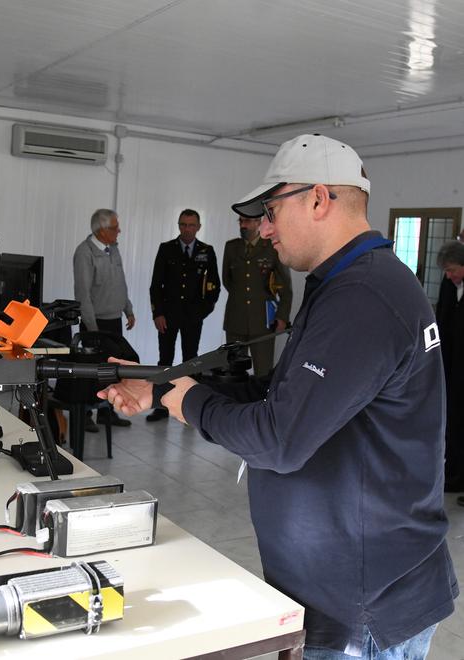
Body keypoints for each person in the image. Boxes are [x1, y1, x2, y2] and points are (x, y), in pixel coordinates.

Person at [98, 134, 457, 659]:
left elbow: (279, 439)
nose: (263, 228)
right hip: (344, 590)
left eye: (270, 210)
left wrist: (192, 403)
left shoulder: (362, 297)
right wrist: (164, 387)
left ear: (318, 199)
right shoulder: (343, 283)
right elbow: (282, 394)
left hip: (364, 607)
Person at [146, 209, 220, 421]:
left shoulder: (207, 251)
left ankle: (190, 408)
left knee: (191, 360)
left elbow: (214, 287)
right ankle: (160, 405)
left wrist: (202, 312)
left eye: (191, 225)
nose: (187, 229)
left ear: (198, 227)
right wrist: (157, 313)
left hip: (192, 317)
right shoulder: (166, 249)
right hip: (167, 316)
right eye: (183, 225)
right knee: (165, 360)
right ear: (179, 226)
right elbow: (155, 286)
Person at [73, 209, 134, 429]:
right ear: (101, 230)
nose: (119, 230)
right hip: (96, 322)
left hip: (114, 319)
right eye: (115, 227)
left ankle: (107, 412)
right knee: (93, 371)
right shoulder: (85, 252)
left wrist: (128, 309)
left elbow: (121, 281)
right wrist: (92, 328)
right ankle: (87, 415)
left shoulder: (113, 249)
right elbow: (83, 294)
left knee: (113, 369)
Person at [222, 215, 292, 377]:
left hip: (263, 322)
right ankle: (235, 402)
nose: (243, 225)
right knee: (233, 370)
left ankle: (261, 402)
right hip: (235, 320)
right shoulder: (232, 247)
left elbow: (285, 289)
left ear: (257, 223)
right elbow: (228, 280)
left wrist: (282, 316)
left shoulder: (271, 247)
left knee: (263, 370)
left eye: (246, 221)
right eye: (240, 221)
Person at [436, 241, 464, 496]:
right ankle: (452, 473)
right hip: (449, 363)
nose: (449, 275)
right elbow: (441, 319)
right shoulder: (447, 286)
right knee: (451, 421)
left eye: (453, 269)